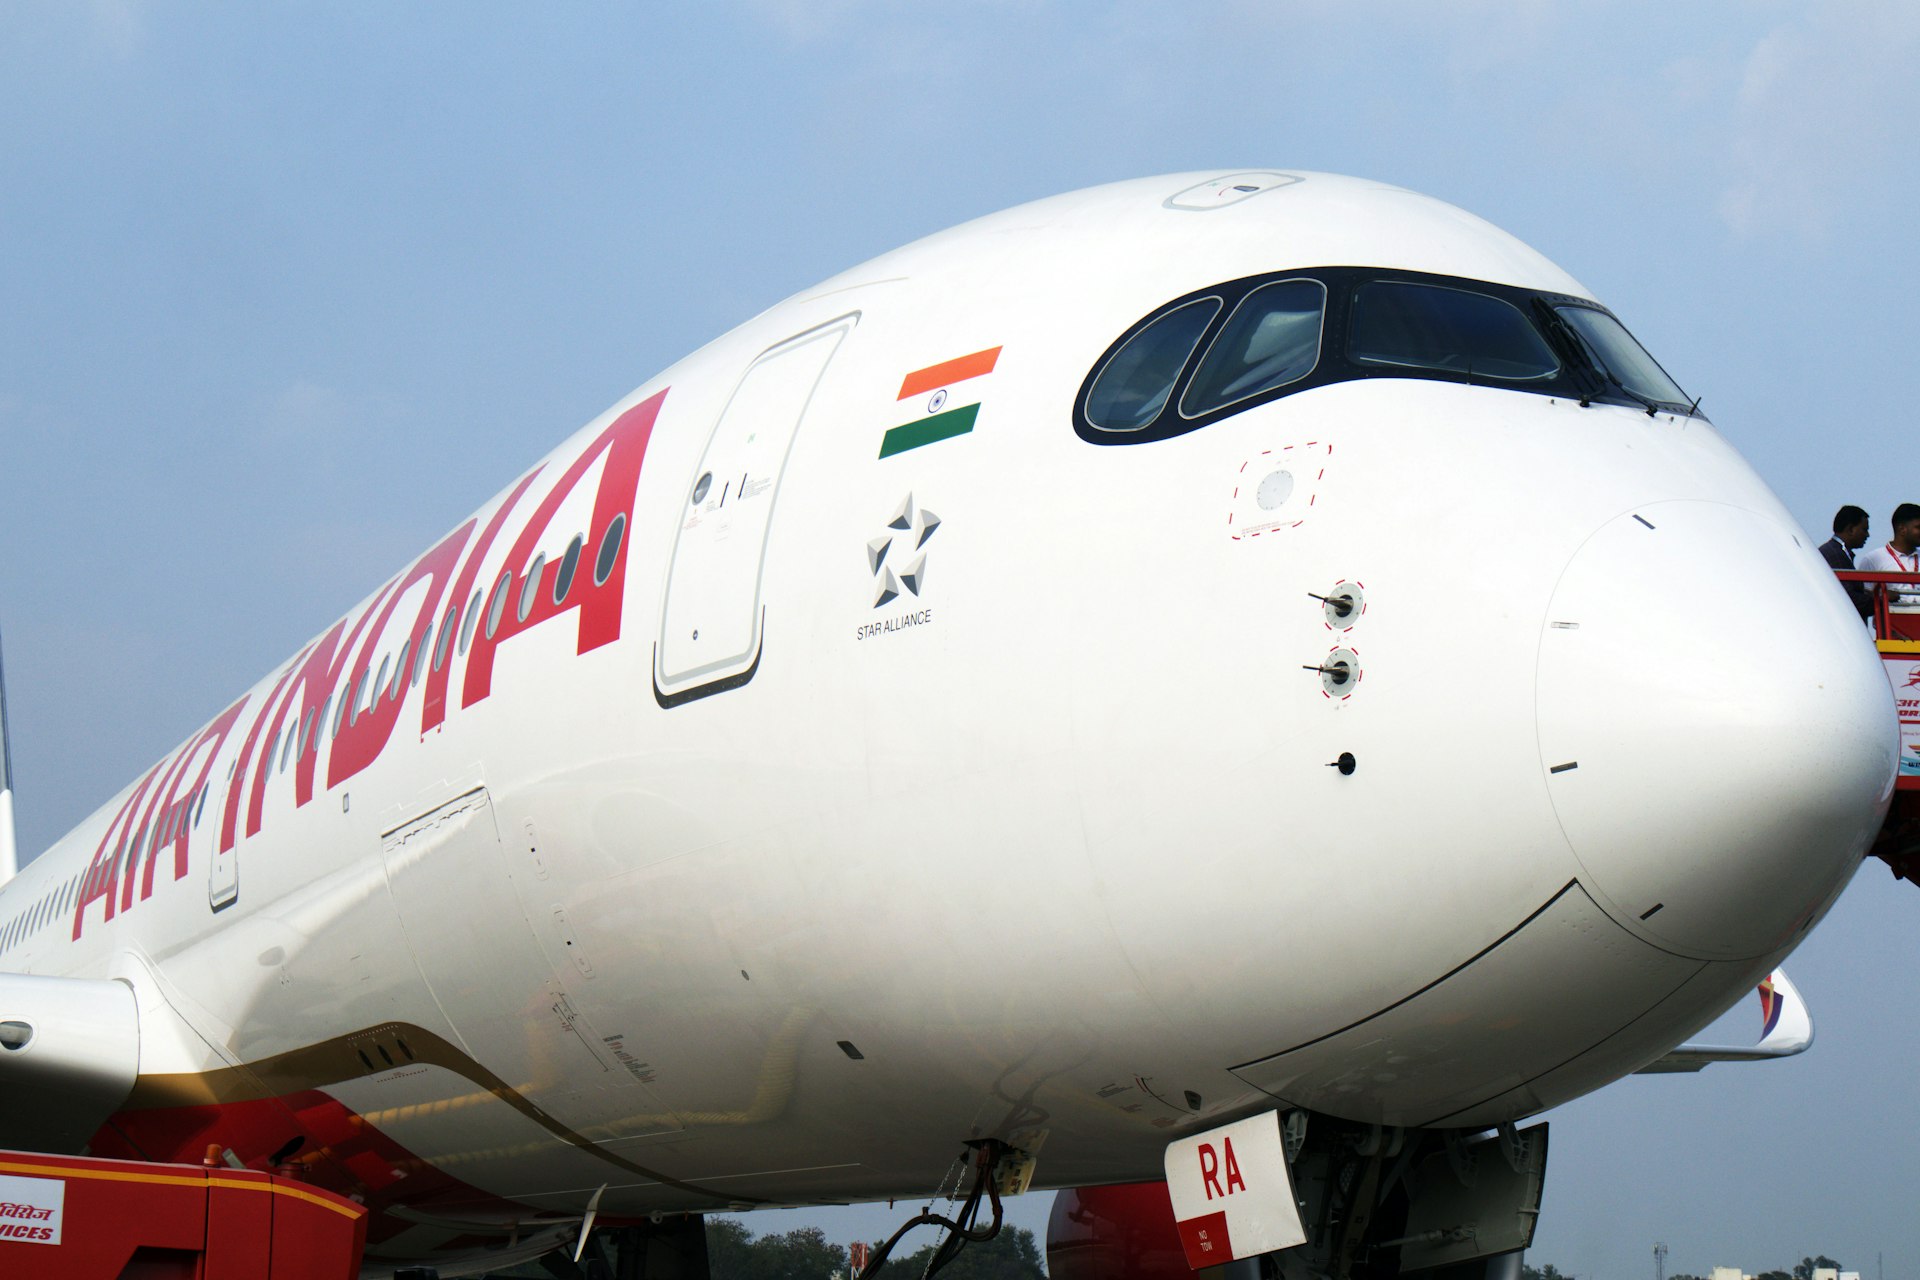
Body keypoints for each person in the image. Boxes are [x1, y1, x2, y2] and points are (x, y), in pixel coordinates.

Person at [1857, 502, 1920, 630]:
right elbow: (1862, 598)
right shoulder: (1873, 559)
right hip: (1892, 634)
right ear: (1902, 529)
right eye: (1918, 527)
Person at [1818, 504, 1872, 622]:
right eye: (1864, 529)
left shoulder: (1834, 551)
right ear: (1851, 529)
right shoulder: (1834, 554)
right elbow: (1848, 599)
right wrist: (1881, 600)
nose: (1868, 535)